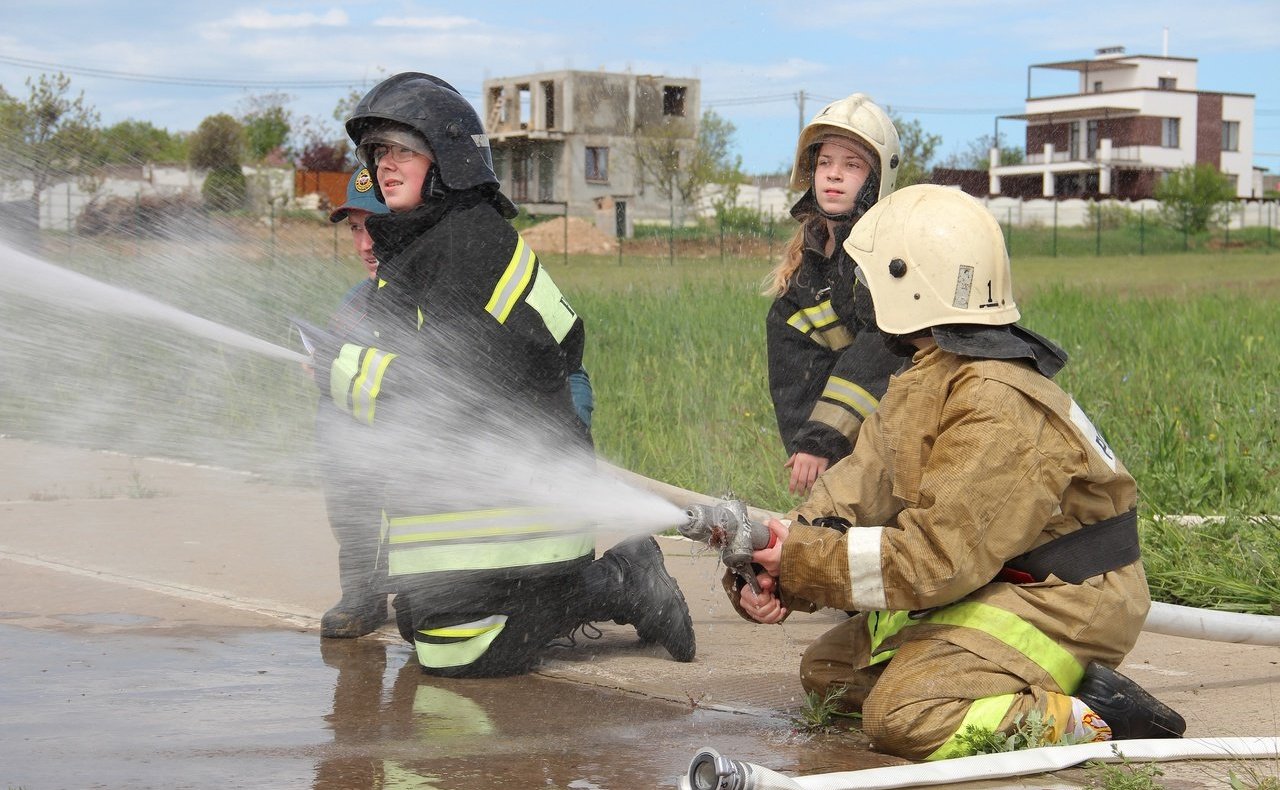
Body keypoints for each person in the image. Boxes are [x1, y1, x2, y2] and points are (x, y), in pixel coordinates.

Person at [731, 184, 1185, 760]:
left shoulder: (997, 405)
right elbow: (857, 486)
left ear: (909, 283)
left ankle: (1088, 715)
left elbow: (937, 560)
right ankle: (988, 679)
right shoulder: (931, 372)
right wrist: (777, 551)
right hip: (993, 575)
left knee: (904, 715)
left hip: (1064, 596)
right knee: (829, 674)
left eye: (871, 279)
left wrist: (802, 562)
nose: (863, 293)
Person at [311, 71, 694, 676]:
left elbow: (459, 377)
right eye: (378, 151)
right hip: (483, 489)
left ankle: (620, 579)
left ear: (448, 160)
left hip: (517, 496)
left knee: (455, 645)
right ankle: (583, 584)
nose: (385, 164)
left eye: (403, 149)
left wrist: (345, 368)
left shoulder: (468, 245)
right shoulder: (428, 242)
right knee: (422, 621)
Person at [764, 94, 905, 497]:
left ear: (878, 178)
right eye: (825, 162)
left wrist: (823, 437)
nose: (834, 175)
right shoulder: (804, 279)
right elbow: (795, 377)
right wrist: (812, 453)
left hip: (916, 426)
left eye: (852, 165)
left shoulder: (889, 255)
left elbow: (886, 345)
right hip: (858, 437)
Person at [316, 167, 392, 639]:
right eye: (356, 229)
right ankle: (363, 588)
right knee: (332, 422)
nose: (366, 245)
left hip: (440, 450)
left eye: (378, 228)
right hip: (378, 448)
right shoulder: (354, 303)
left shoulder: (445, 294)